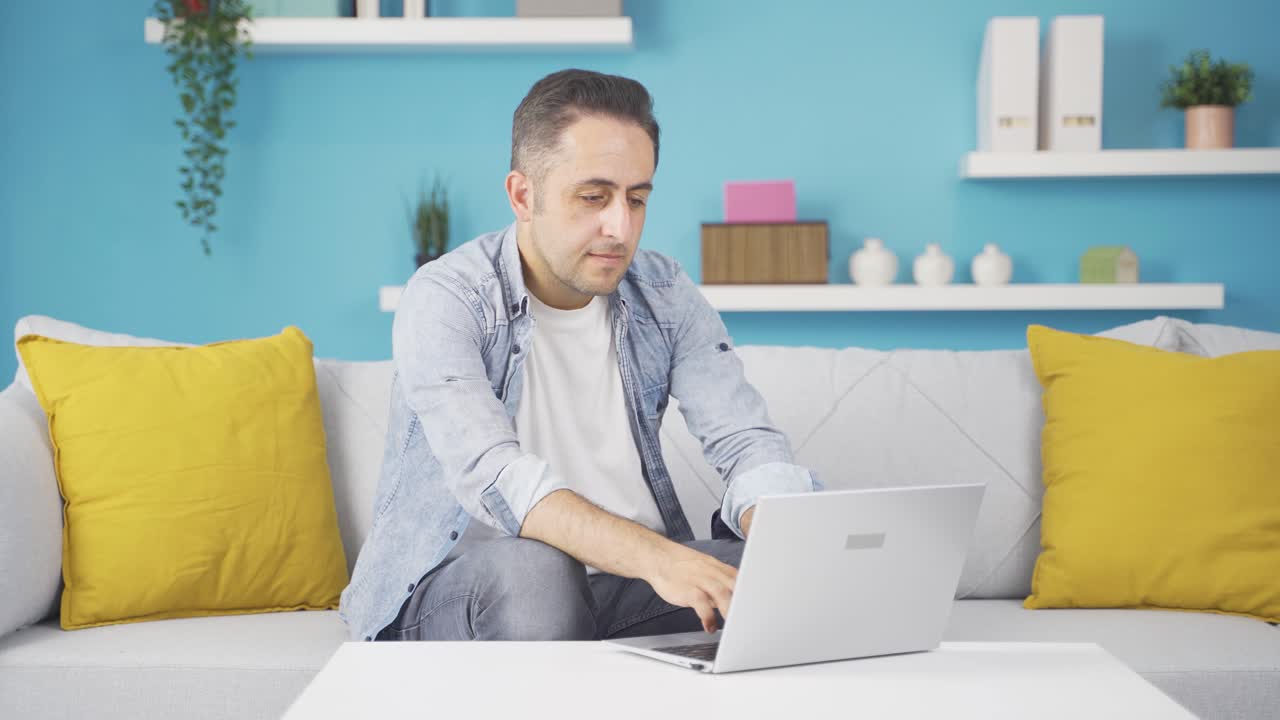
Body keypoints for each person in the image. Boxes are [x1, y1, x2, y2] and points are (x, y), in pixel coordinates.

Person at [339, 68, 821, 643]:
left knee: (789, 577)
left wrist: (785, 533)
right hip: (470, 589)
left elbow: (745, 440)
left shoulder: (664, 293)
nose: (619, 227)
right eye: (593, 197)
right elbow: (498, 477)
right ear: (523, 194)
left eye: (636, 199)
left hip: (623, 585)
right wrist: (657, 558)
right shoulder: (447, 298)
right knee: (538, 568)